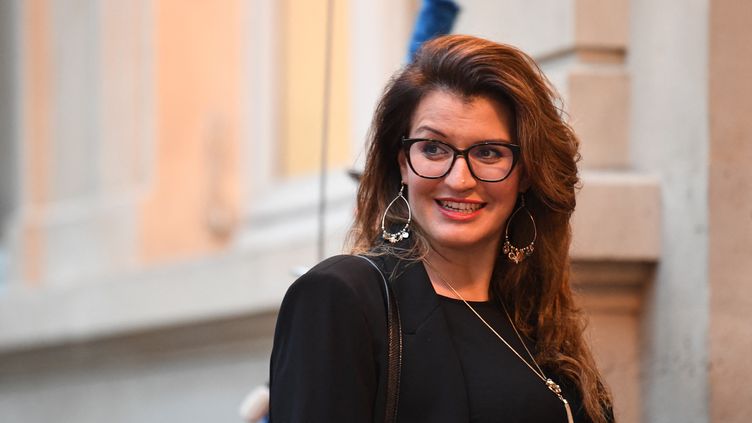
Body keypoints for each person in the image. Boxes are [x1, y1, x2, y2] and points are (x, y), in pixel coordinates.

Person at [269, 34, 614, 423]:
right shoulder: (341, 296)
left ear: (527, 173)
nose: (460, 179)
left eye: (488, 153)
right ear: (402, 162)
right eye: (434, 149)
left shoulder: (535, 312)